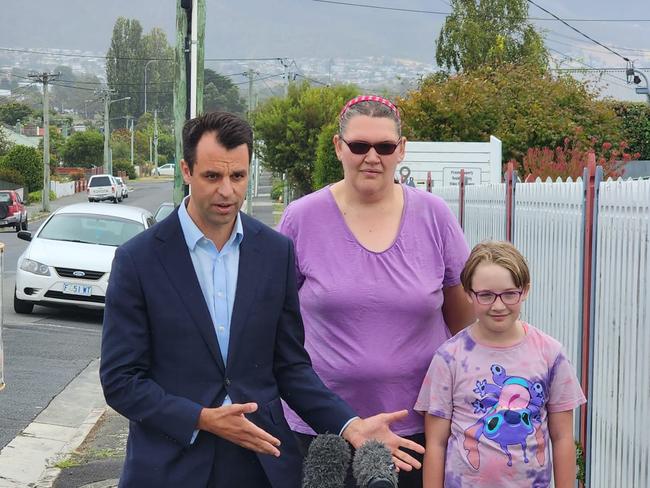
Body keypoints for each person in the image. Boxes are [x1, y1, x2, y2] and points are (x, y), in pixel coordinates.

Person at [100, 111, 424, 488]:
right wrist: (200, 418)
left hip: (262, 467)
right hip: (169, 467)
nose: (227, 190)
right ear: (187, 171)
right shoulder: (138, 259)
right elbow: (121, 380)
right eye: (212, 176)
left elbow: (291, 368)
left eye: (237, 176)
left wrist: (349, 425)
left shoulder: (276, 252)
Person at [277, 95, 475, 488]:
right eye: (359, 146)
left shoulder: (434, 216)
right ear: (338, 147)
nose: (372, 157)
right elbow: (279, 327)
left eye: (385, 146)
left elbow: (464, 325)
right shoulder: (301, 218)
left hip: (417, 431)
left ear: (401, 150)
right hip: (322, 430)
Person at [415, 241, 586, 488]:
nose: (498, 305)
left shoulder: (550, 354)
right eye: (485, 295)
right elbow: (436, 443)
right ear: (468, 293)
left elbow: (561, 438)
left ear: (525, 290)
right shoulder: (449, 357)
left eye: (509, 294)